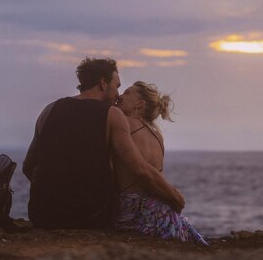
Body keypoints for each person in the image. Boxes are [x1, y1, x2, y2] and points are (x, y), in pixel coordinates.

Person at [23, 58, 184, 229]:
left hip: (42, 214)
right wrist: (175, 197)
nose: (117, 95)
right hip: (88, 217)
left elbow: (28, 166)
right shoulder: (112, 114)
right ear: (103, 83)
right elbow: (139, 169)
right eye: (117, 86)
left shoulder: (49, 109)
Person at [114, 81, 208, 245]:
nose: (120, 96)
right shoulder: (158, 136)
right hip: (159, 205)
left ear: (140, 104)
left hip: (133, 207)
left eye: (127, 93)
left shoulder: (124, 125)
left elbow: (143, 172)